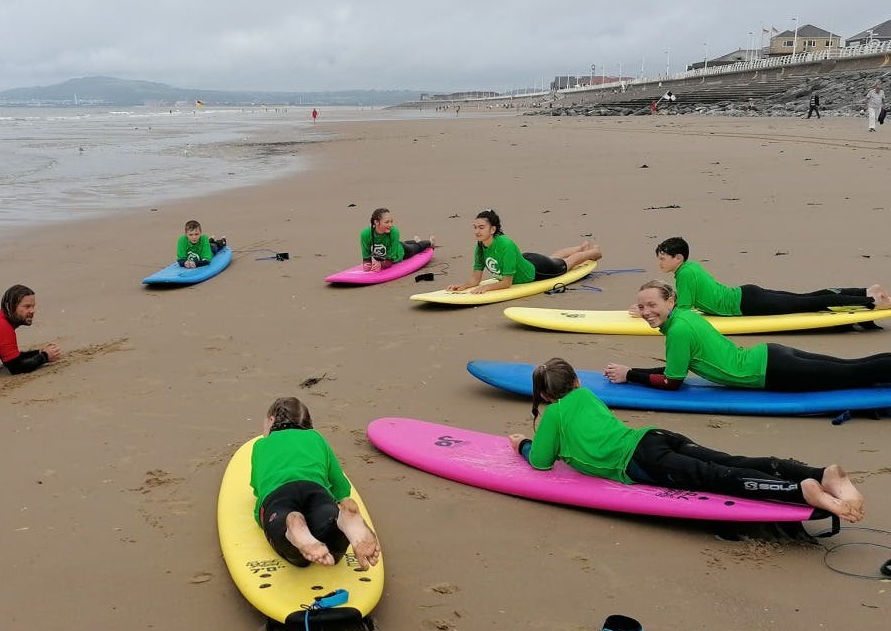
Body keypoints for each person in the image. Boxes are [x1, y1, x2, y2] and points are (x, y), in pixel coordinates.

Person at [508, 358, 864, 522]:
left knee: (717, 478)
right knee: (730, 461)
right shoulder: (585, 396)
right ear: (576, 383)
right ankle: (822, 473)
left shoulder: (552, 413)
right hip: (655, 437)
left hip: (641, 462)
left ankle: (796, 491)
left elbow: (541, 461)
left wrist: (522, 443)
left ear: (547, 396)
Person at [605, 280, 891, 392]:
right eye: (641, 306)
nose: (645, 312)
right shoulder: (684, 317)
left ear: (670, 302)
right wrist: (632, 371)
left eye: (652, 305)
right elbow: (674, 370)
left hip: (771, 370)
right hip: (770, 357)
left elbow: (671, 381)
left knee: (854, 374)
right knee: (851, 367)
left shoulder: (678, 330)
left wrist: (630, 374)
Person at [249, 397, 381, 569]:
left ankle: (291, 527)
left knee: (291, 545)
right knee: (331, 537)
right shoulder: (316, 438)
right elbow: (341, 486)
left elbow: (258, 487)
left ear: (272, 420)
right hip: (315, 490)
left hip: (279, 494)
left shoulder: (261, 445)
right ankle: (341, 521)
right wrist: (339, 499)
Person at [653, 236, 891, 316]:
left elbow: (682, 310)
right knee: (805, 298)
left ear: (678, 259)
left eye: (663, 258)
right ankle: (865, 291)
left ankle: (870, 301)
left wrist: (652, 312)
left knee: (808, 302)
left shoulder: (684, 274)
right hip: (746, 294)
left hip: (746, 303)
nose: (660, 262)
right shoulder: (690, 268)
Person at [446, 209, 601, 294]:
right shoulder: (480, 246)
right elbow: (475, 279)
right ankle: (581, 246)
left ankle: (593, 251)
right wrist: (463, 286)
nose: (477, 231)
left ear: (492, 229)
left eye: (481, 227)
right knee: (554, 258)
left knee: (566, 263)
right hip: (524, 260)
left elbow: (507, 283)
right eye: (475, 227)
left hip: (536, 271)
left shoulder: (505, 245)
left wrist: (487, 288)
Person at [361, 207, 433, 272]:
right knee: (400, 243)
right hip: (394, 245)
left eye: (391, 221)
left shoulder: (394, 232)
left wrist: (381, 264)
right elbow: (366, 257)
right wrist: (367, 264)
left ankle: (430, 242)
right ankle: (414, 241)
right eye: (387, 222)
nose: (390, 225)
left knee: (415, 248)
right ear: (376, 222)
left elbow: (389, 261)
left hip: (402, 252)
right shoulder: (365, 234)